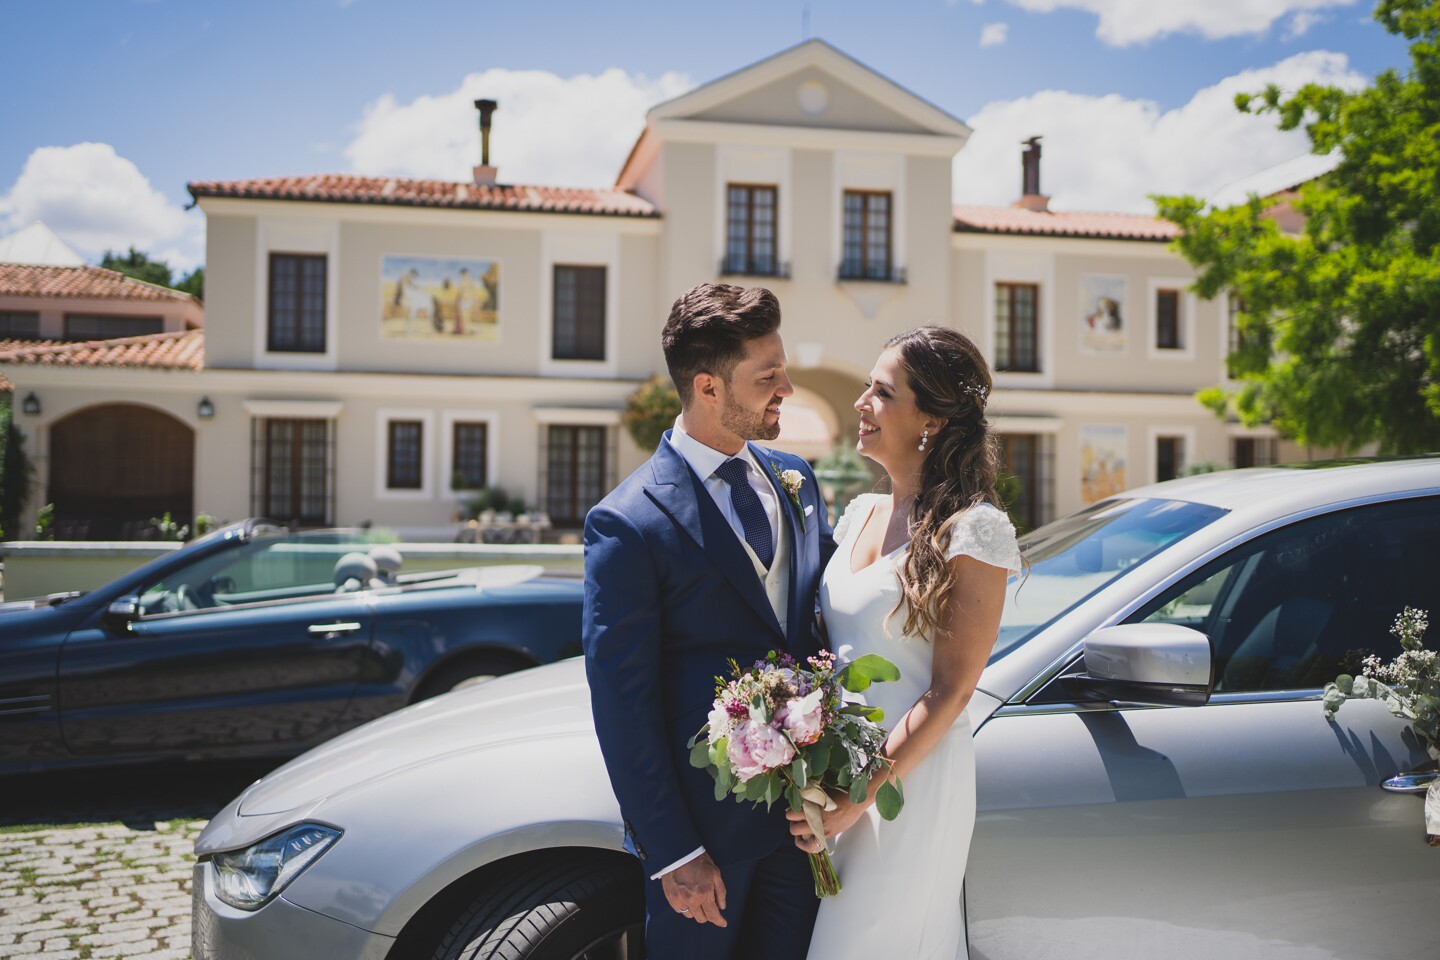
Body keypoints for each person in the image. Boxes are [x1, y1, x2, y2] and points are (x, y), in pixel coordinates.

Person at [583, 282, 837, 959]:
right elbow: (621, 699)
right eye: (769, 376)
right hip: (707, 845)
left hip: (801, 826)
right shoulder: (629, 521)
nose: (787, 387)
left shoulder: (796, 480)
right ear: (709, 387)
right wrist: (673, 852)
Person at [787, 325, 1020, 960]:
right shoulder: (859, 512)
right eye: (867, 386)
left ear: (934, 421)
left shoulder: (975, 531)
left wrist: (856, 798)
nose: (862, 402)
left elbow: (952, 689)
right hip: (834, 783)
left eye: (882, 392)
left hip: (906, 791)